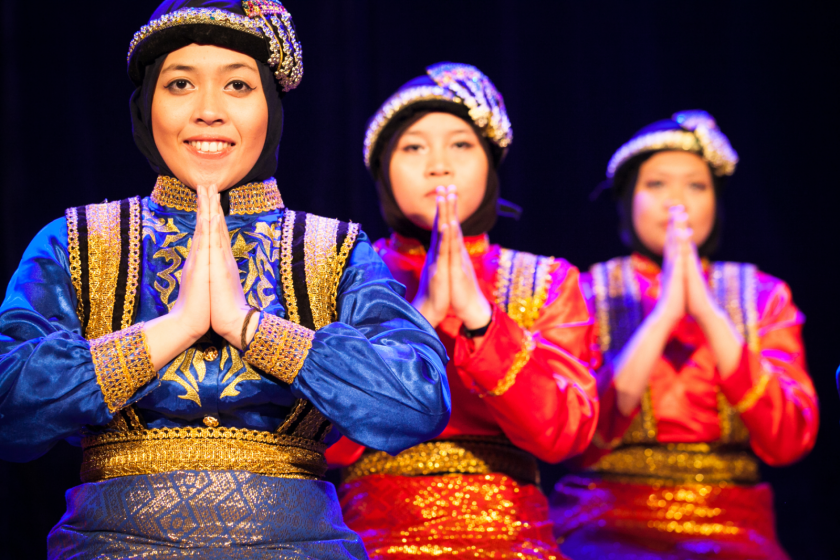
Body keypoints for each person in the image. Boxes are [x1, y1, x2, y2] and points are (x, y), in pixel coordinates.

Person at [0, 1, 451, 558]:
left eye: (238, 86)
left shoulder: (333, 250)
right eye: (181, 84)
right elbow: (9, 412)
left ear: (271, 108)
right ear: (144, 106)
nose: (209, 111)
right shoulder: (78, 241)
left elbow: (418, 402)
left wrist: (251, 327)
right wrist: (173, 329)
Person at [325, 62, 599, 560]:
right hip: (371, 539)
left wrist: (482, 319)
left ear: (490, 165)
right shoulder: (341, 270)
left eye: (461, 145)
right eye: (413, 148)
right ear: (383, 169)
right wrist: (423, 314)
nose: (439, 165)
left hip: (519, 540)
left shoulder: (547, 280)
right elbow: (323, 444)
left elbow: (565, 434)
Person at [549, 110, 819, 560]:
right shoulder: (587, 291)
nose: (678, 202)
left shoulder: (762, 293)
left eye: (696, 185)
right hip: (606, 518)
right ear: (627, 199)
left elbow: (791, 437)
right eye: (657, 185)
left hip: (735, 522)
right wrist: (664, 314)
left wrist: (709, 315)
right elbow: (577, 435)